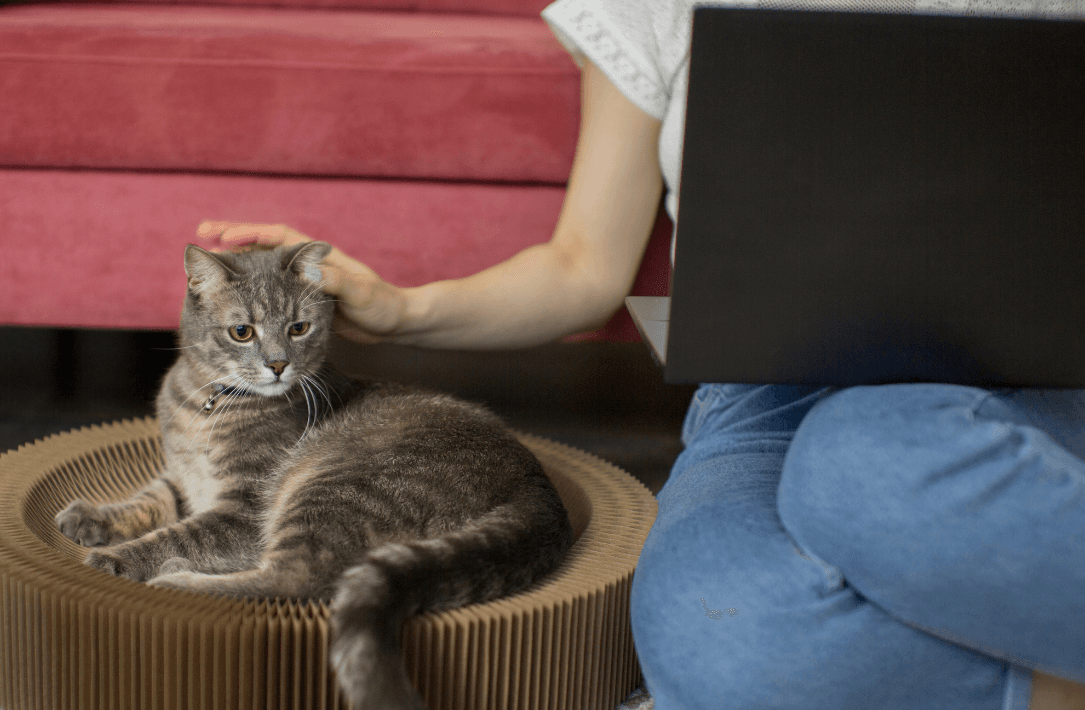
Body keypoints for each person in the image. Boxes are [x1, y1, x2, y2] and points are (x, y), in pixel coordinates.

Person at [195, 0, 1085, 707]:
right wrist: (401, 309)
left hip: (1039, 378)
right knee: (714, 639)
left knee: (861, 458)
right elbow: (583, 267)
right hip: (767, 400)